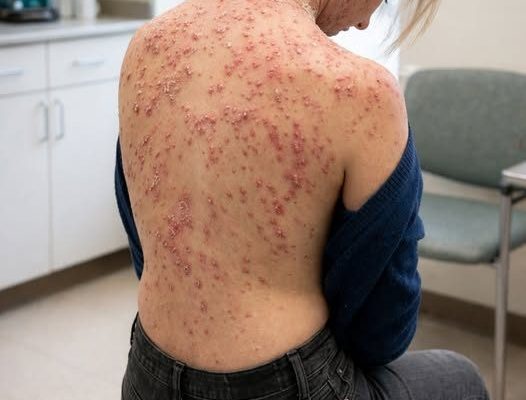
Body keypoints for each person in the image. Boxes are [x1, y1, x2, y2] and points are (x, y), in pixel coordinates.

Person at [115, 0, 490, 399]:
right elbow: (383, 330)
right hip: (286, 385)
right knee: (461, 377)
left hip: (146, 374)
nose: (365, 23)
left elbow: (145, 239)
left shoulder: (148, 43)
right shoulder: (362, 92)